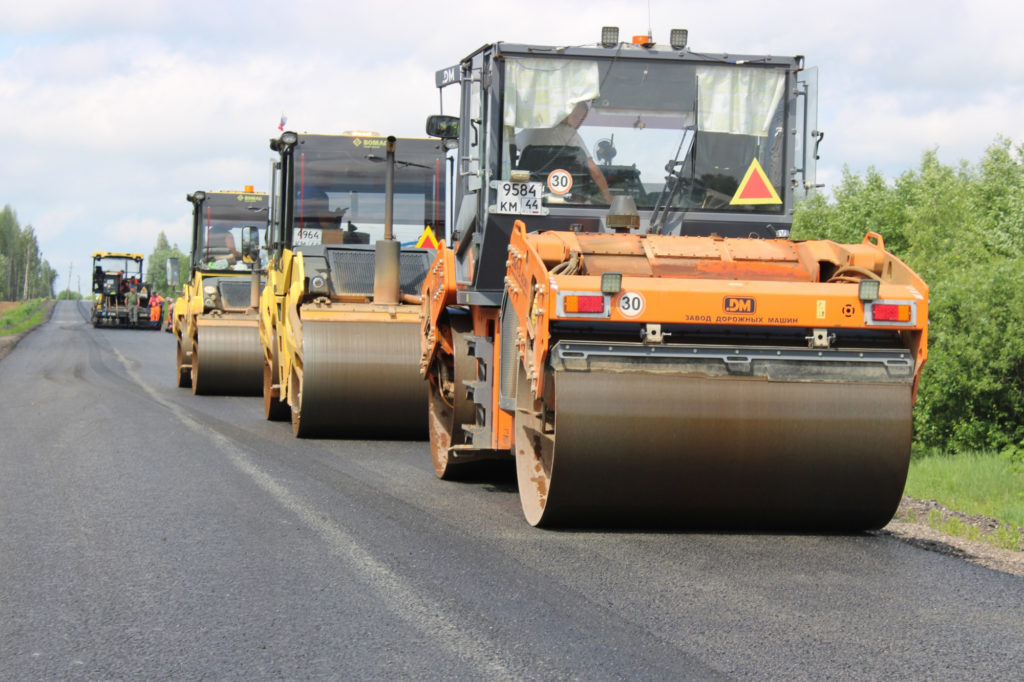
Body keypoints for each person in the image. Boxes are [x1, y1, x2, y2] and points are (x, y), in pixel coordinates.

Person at [514, 101, 612, 203]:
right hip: (570, 202)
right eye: (575, 116)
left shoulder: (529, 131)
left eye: (581, 118)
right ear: (565, 113)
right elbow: (595, 173)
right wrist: (608, 197)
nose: (578, 121)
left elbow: (509, 149)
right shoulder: (570, 134)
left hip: (528, 200)